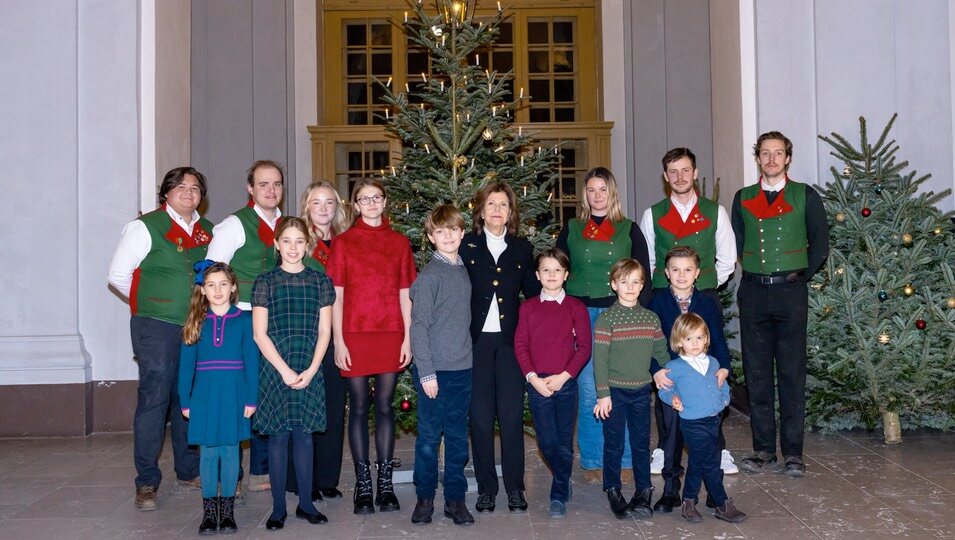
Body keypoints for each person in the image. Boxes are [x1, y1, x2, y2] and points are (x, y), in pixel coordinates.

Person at [107, 166, 210, 511]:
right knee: (154, 398)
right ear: (166, 192)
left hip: (197, 325)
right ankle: (147, 480)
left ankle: (188, 469)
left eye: (195, 188)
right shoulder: (144, 226)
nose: (188, 192)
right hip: (156, 326)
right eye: (180, 186)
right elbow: (119, 276)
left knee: (189, 397)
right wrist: (151, 303)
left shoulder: (207, 231)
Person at [731, 131, 829, 476]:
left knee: (791, 373)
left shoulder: (805, 196)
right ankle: (762, 450)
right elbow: (740, 242)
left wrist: (799, 276)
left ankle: (792, 452)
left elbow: (820, 245)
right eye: (765, 153)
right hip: (755, 292)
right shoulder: (743, 198)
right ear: (757, 158)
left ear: (788, 158)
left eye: (779, 153)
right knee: (757, 374)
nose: (771, 159)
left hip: (790, 293)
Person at [325, 178, 416, 515]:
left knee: (386, 407)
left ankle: (386, 486)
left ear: (385, 202)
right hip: (354, 334)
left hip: (391, 332)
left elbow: (406, 292)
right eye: (365, 199)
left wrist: (408, 337)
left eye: (377, 197)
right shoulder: (344, 243)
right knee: (359, 407)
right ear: (355, 205)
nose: (372, 203)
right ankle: (364, 488)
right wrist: (338, 340)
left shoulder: (399, 242)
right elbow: (336, 295)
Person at [555, 167, 651, 479]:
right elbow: (556, 270)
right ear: (585, 194)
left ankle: (623, 459)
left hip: (619, 315)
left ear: (612, 193)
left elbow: (644, 276)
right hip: (581, 314)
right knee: (587, 387)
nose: (597, 196)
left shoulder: (629, 229)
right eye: (592, 190)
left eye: (602, 189)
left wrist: (641, 316)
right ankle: (594, 458)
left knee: (620, 386)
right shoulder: (571, 228)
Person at [459, 182, 540, 513]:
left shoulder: (521, 248)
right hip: (475, 343)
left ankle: (515, 488)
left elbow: (534, 292)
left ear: (511, 211)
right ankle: (486, 489)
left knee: (509, 418)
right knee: (479, 419)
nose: (496, 209)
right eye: (491, 203)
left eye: (503, 204)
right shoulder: (466, 246)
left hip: (509, 343)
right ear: (481, 209)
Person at [207, 159, 286, 495]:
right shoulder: (234, 226)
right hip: (240, 317)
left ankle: (260, 470)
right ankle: (232, 476)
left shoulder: (286, 224)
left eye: (277, 184)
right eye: (264, 184)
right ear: (250, 188)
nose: (271, 190)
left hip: (276, 318)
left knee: (266, 391)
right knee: (239, 393)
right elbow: (210, 273)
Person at [251, 217, 335, 530]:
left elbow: (325, 330)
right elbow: (260, 334)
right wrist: (284, 370)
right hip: (276, 368)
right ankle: (276, 508)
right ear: (276, 244)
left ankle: (306, 504)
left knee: (304, 436)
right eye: (286, 240)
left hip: (309, 365)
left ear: (308, 244)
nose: (293, 247)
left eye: (299, 241)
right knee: (278, 436)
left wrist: (312, 369)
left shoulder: (320, 281)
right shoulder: (265, 282)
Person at [648, 246, 732, 513]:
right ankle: (671, 490)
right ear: (666, 272)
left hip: (704, 380)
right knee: (671, 436)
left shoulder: (707, 303)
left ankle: (712, 490)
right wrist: (655, 370)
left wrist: (724, 368)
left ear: (697, 273)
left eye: (687, 269)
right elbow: (649, 340)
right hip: (671, 380)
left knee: (712, 436)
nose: (681, 275)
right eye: (675, 269)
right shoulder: (657, 301)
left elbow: (717, 337)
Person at [178, 261, 258, 535]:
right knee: (209, 454)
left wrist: (251, 399)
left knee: (230, 451)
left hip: (235, 395)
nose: (218, 290)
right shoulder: (195, 323)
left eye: (223, 284)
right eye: (211, 285)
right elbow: (186, 367)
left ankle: (228, 512)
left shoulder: (245, 320)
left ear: (233, 287)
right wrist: (185, 401)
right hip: (204, 396)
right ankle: (209, 513)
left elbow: (252, 363)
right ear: (202, 290)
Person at [408, 205, 474, 526]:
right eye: (440, 231)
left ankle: (455, 499)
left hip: (462, 369)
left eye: (453, 230)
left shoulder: (463, 269)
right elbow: (419, 326)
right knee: (429, 438)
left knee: (459, 437)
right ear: (431, 237)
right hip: (434, 373)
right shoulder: (429, 277)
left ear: (462, 232)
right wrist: (426, 372)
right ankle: (424, 498)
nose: (448, 236)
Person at [513, 248, 592, 520]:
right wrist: (533, 378)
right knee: (547, 441)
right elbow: (521, 345)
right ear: (537, 275)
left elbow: (584, 347)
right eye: (545, 270)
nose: (551, 275)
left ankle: (558, 492)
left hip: (565, 383)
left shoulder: (575, 307)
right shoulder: (528, 307)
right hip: (537, 384)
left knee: (564, 441)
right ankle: (563, 474)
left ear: (566, 275)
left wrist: (563, 377)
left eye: (557, 270)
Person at [283, 180, 349, 502]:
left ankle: (327, 478)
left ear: (337, 208)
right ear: (306, 206)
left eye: (329, 203)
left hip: (337, 335)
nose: (323, 209)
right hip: (302, 335)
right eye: (316, 203)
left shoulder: (345, 243)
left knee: (334, 408)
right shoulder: (296, 241)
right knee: (303, 407)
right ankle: (301, 480)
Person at [592, 259, 668, 520]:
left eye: (636, 281)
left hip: (641, 392)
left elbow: (660, 353)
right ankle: (612, 488)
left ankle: (644, 490)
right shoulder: (606, 319)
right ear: (614, 284)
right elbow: (599, 360)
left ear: (642, 284)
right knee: (613, 444)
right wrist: (603, 395)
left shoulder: (650, 318)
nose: (630, 287)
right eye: (624, 282)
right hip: (614, 393)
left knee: (640, 443)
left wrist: (667, 376)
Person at [657, 313, 747, 524]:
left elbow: (722, 384)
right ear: (680, 342)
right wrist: (674, 399)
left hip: (713, 420)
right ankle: (722, 504)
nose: (695, 343)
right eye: (689, 339)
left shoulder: (714, 362)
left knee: (698, 462)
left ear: (706, 338)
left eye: (699, 337)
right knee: (710, 463)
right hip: (691, 422)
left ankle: (688, 502)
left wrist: (724, 400)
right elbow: (663, 391)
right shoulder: (675, 367)